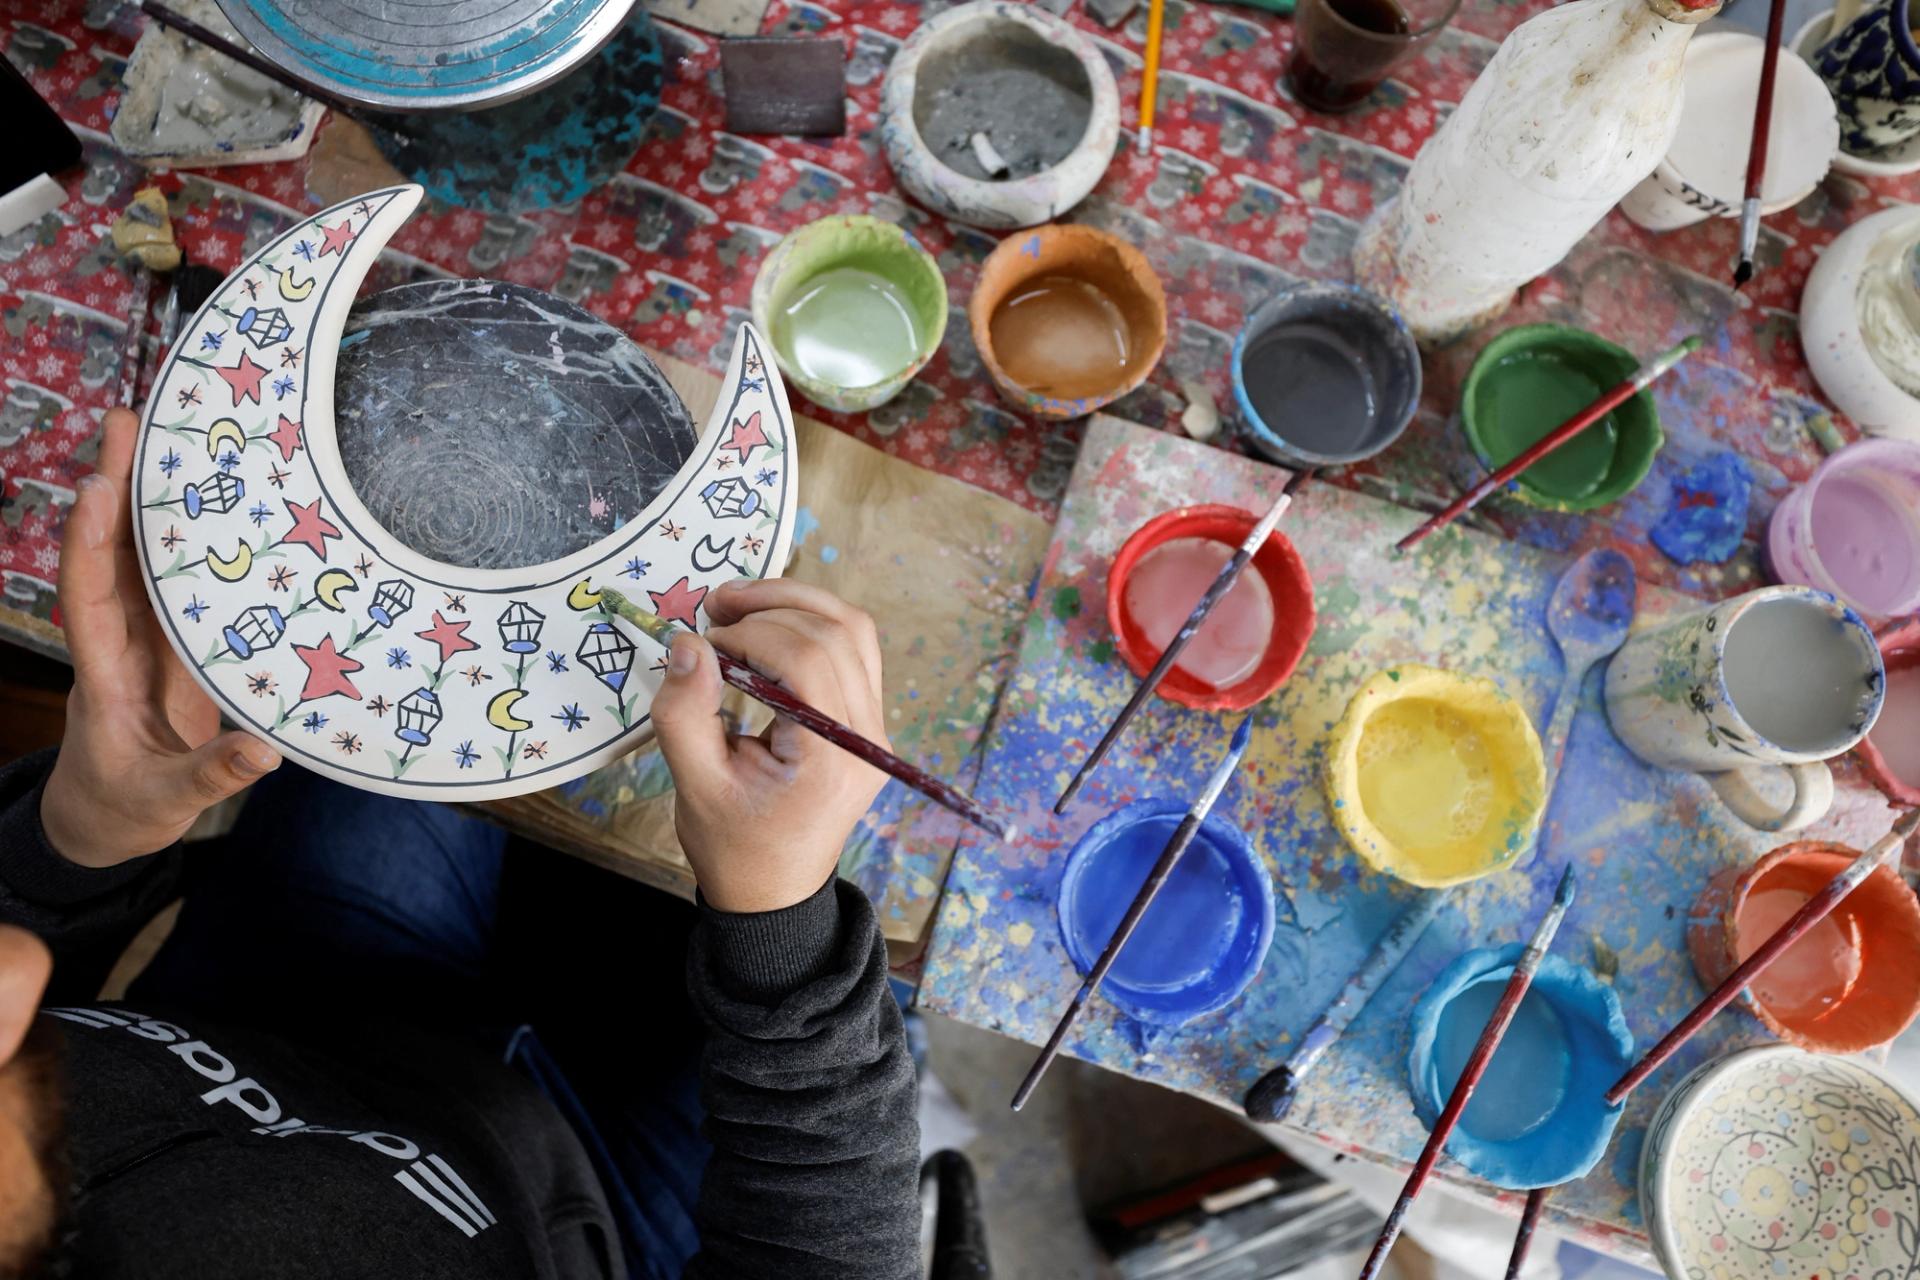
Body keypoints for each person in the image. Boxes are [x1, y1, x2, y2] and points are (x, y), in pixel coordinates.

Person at [0, 409, 921, 1279]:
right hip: (616, 1214)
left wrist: (77, 841)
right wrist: (785, 924)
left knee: (407, 665)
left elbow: (22, 934)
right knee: (884, 936)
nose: (9, 978)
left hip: (301, 1007)